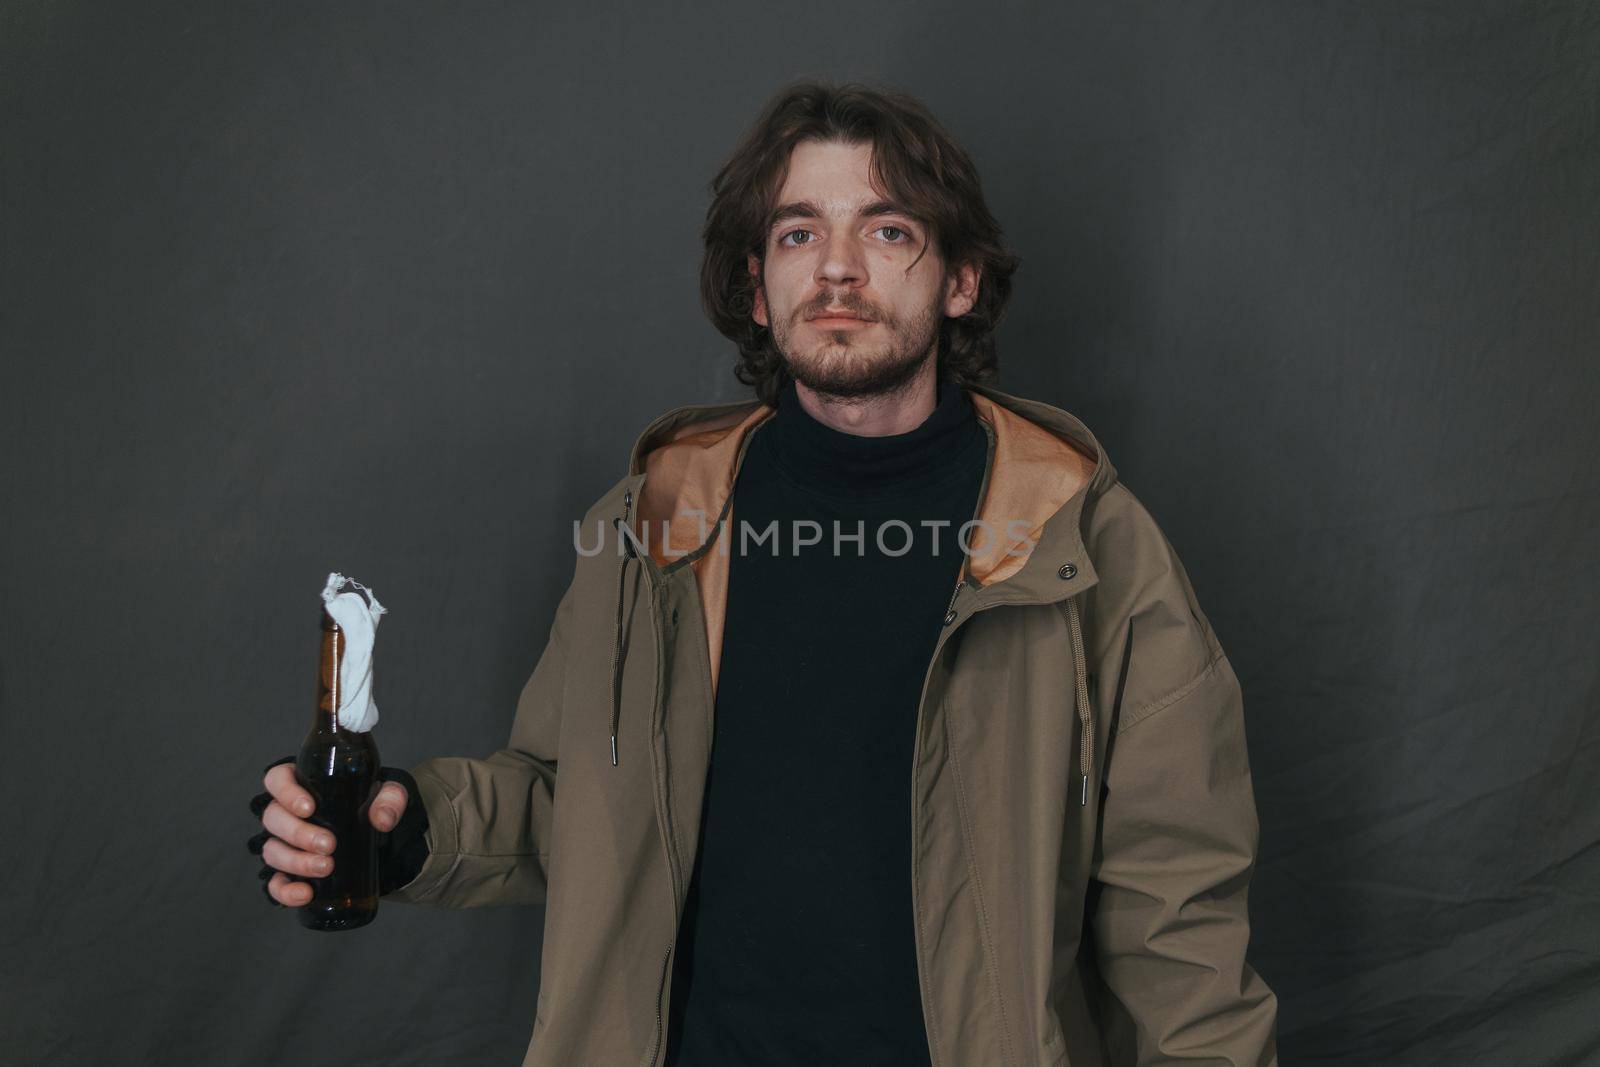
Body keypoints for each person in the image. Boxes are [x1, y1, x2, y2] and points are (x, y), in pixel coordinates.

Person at [247, 79, 1280, 1066]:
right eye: (797, 233)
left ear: (961, 278)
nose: (836, 270)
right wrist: (406, 827)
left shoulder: (1086, 542)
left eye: (886, 230)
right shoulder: (654, 523)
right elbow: (577, 802)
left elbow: (1175, 915)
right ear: (756, 282)